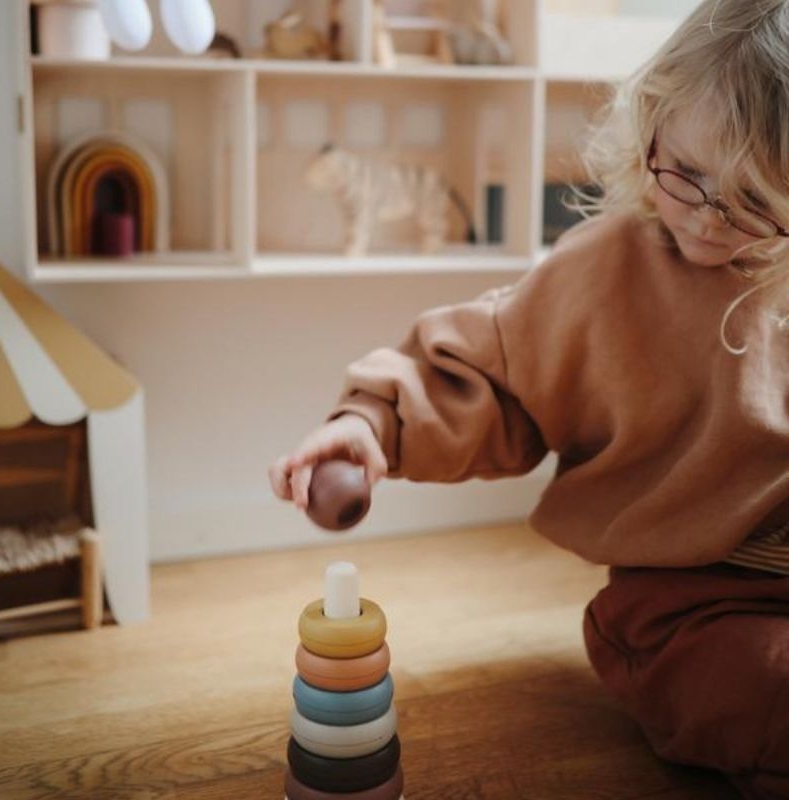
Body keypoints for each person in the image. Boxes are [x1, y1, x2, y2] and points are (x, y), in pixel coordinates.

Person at [269, 1, 789, 796]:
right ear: (653, 120)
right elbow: (488, 373)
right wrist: (370, 422)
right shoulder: (610, 268)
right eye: (685, 172)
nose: (706, 219)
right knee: (761, 688)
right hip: (689, 604)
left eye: (752, 203)